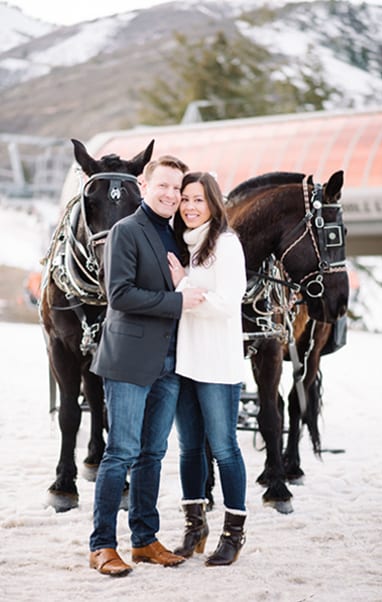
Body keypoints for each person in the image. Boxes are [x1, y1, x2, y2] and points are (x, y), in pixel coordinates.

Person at [88, 155, 206, 577]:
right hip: (129, 360)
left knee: (153, 454)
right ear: (144, 184)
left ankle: (144, 539)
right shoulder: (126, 230)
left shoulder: (177, 234)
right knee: (120, 453)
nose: (172, 195)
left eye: (178, 188)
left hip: (170, 361)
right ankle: (102, 545)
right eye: (165, 186)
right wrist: (177, 301)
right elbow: (118, 295)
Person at [166, 172, 248, 566]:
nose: (190, 206)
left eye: (199, 199)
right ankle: (194, 526)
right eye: (185, 199)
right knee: (189, 449)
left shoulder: (227, 246)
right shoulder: (183, 247)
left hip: (218, 364)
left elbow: (226, 305)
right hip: (186, 362)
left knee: (225, 449)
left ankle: (233, 533)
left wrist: (183, 286)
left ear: (214, 204)